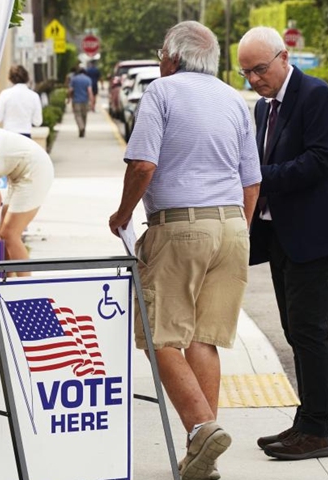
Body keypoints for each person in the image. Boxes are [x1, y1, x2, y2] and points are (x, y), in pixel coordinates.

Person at [108, 21, 261, 480]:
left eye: (161, 54)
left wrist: (121, 215)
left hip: (180, 227)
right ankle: (202, 457)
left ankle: (201, 428)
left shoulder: (162, 92)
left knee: (160, 338)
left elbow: (143, 164)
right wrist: (238, 230)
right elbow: (251, 180)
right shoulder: (235, 99)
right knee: (203, 337)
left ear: (172, 57)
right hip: (233, 227)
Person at [237, 26, 328, 461]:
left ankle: (317, 430)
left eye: (260, 69)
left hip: (315, 236)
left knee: (309, 331)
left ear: (284, 57)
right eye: (246, 72)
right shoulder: (264, 109)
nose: (254, 79)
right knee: (294, 331)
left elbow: (321, 160)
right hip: (281, 237)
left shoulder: (316, 96)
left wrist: (259, 177)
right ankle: (305, 421)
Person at [0, 128, 54, 275]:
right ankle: (7, 283)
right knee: (2, 235)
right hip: (18, 174)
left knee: (10, 234)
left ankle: (26, 288)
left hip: (35, 168)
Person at [0, 65, 42, 137]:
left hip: (9, 134)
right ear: (27, 77)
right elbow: (38, 122)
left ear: (10, 78)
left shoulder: (5, 94)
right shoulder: (34, 96)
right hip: (26, 136)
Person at [67, 66, 94, 137]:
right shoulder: (88, 79)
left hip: (76, 101)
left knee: (77, 115)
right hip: (85, 100)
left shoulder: (74, 79)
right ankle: (83, 129)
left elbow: (70, 90)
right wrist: (91, 101)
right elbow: (89, 91)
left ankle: (81, 128)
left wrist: (69, 99)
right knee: (84, 116)